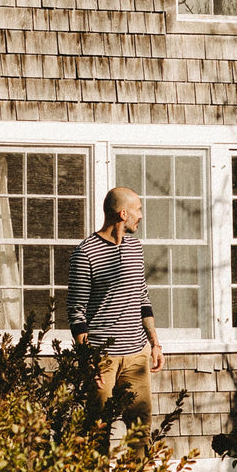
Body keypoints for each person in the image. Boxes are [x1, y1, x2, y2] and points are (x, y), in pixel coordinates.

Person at [67, 186, 164, 435]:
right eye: (138, 210)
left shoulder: (135, 248)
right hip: (103, 359)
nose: (141, 216)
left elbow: (142, 298)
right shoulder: (85, 253)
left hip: (136, 356)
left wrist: (154, 343)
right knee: (97, 430)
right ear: (123, 214)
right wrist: (89, 359)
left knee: (140, 431)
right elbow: (76, 311)